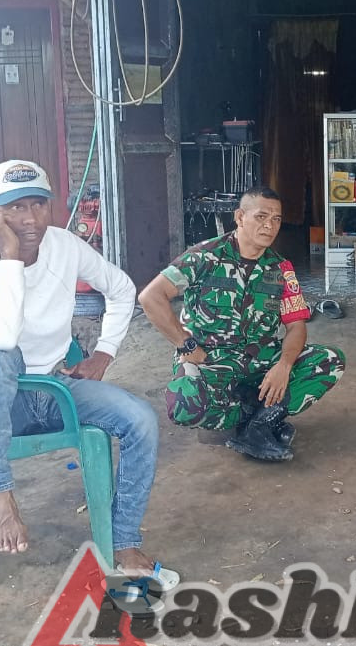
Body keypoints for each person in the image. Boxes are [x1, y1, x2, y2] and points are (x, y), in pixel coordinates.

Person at [0, 160, 173, 581]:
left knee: (141, 419)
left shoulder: (64, 246)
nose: (30, 219)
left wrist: (103, 353)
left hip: (54, 388)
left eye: (39, 205)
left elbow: (122, 289)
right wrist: (11, 258)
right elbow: (1, 336)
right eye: (14, 209)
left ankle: (122, 539)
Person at [138, 186, 344, 462]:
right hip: (211, 357)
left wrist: (283, 366)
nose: (269, 226)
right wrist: (184, 343)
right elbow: (151, 297)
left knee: (330, 360)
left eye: (277, 219)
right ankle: (251, 413)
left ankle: (259, 425)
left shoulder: (281, 269)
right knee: (186, 406)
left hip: (261, 359)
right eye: (261, 217)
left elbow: (296, 326)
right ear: (239, 217)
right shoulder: (204, 257)